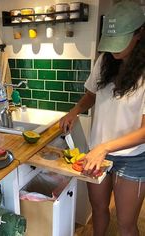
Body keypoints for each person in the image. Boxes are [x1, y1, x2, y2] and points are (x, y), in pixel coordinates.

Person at [59, 1, 145, 235]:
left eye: (120, 43)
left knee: (126, 224)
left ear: (139, 34)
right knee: (98, 209)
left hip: (133, 158)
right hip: (98, 150)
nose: (114, 50)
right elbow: (91, 95)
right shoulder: (104, 61)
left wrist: (105, 147)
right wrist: (75, 110)